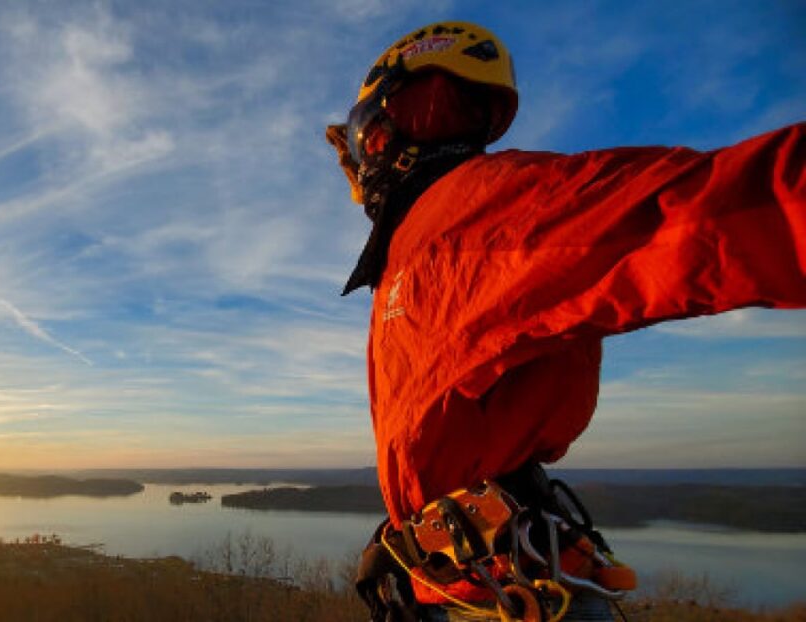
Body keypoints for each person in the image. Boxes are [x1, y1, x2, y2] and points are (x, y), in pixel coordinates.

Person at [324, 20, 805, 622]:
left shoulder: (480, 216)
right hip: (474, 582)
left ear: (398, 128)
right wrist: (410, 536)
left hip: (516, 596)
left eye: (368, 135)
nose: (363, 156)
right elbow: (450, 430)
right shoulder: (417, 248)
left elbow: (709, 212)